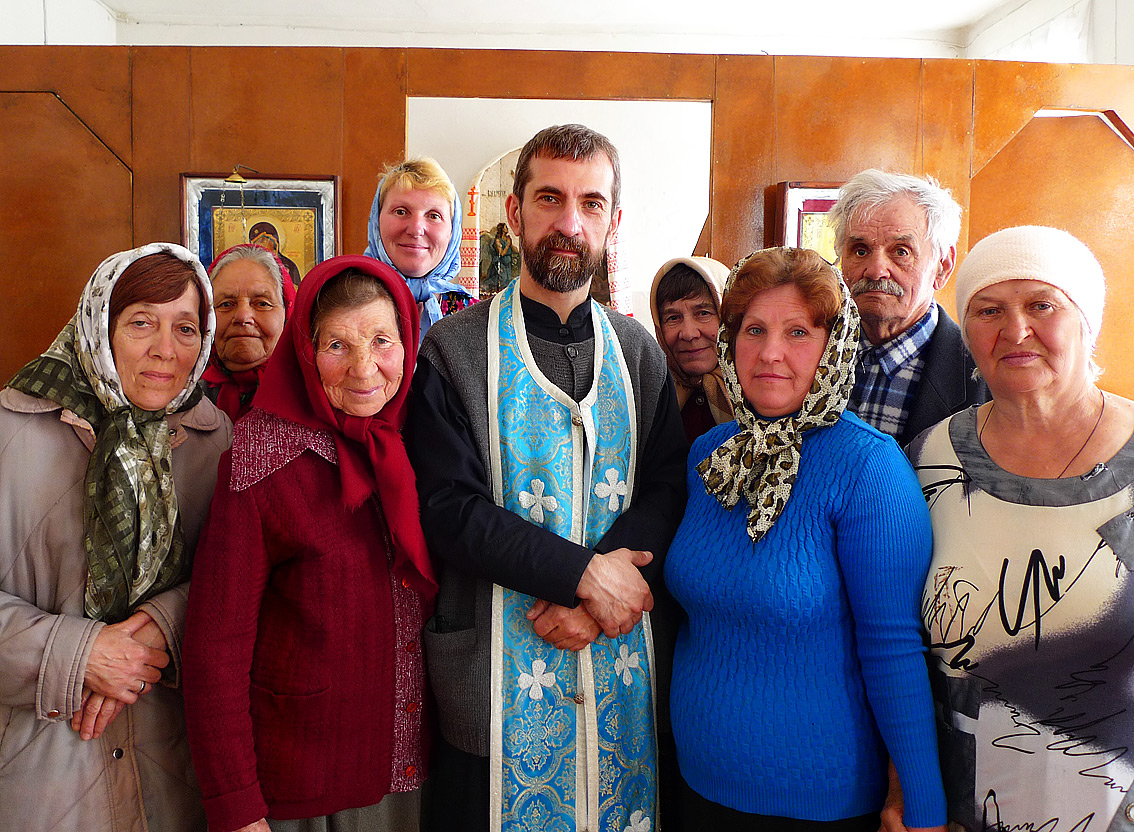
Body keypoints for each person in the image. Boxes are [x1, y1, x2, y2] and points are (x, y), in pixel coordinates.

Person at [406, 123, 687, 832]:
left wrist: (597, 598)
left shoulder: (638, 352)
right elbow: (448, 507)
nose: (570, 223)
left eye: (591, 203)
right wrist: (584, 577)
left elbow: (666, 487)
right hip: (493, 681)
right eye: (550, 198)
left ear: (613, 221)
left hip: (619, 670)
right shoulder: (453, 349)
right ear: (515, 211)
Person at [665, 247, 947, 830]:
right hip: (696, 780)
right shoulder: (710, 456)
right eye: (754, 330)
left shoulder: (868, 467)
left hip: (818, 799)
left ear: (833, 345)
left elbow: (894, 649)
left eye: (798, 332)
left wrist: (923, 808)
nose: (771, 352)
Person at [182, 256, 437, 832]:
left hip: (408, 768)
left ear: (407, 343)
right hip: (305, 786)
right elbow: (216, 649)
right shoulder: (260, 460)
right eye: (337, 346)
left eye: (382, 341)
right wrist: (236, 805)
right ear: (305, 349)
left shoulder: (419, 440)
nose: (363, 368)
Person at [898, 226, 1134, 830]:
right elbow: (894, 645)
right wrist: (903, 790)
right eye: (989, 310)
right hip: (960, 809)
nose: (1016, 329)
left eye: (1042, 304)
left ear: (1086, 321)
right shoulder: (925, 463)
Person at [0, 242, 232, 830]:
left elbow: (238, 580)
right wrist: (80, 655)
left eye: (186, 328)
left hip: (174, 767)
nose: (166, 350)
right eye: (141, 323)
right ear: (99, 326)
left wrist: (162, 624)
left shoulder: (213, 441)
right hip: (41, 769)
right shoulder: (10, 431)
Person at [830, 169, 987, 446]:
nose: (876, 270)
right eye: (860, 250)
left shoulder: (984, 375)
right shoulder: (810, 351)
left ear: (942, 266)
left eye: (901, 251)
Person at [365, 157, 474, 342]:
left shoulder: (478, 321)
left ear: (453, 231)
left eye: (433, 215)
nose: (416, 229)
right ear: (376, 222)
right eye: (401, 211)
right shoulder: (342, 303)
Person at [201, 243, 296, 422]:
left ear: (287, 315)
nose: (243, 317)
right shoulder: (183, 401)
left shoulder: (311, 400)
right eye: (226, 304)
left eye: (262, 304)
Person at [649, 255, 733, 442]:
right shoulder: (651, 399)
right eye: (673, 318)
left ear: (730, 319)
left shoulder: (761, 393)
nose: (688, 334)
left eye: (703, 313)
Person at [249, 221, 302, 286]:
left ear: (274, 242)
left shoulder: (288, 266)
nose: (259, 246)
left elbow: (294, 289)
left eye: (262, 240)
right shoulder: (250, 266)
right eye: (255, 243)